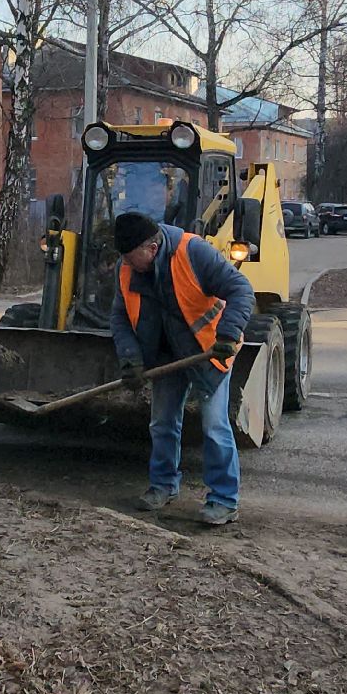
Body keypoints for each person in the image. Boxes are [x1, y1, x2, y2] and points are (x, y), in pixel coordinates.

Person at [109, 210, 255, 526]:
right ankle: (163, 486)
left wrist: (228, 334)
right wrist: (130, 358)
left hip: (209, 351)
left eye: (134, 259)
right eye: (126, 260)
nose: (130, 266)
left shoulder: (193, 251)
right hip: (165, 356)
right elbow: (119, 318)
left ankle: (224, 500)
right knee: (161, 423)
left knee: (214, 425)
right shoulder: (126, 268)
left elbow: (241, 289)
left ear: (152, 247)